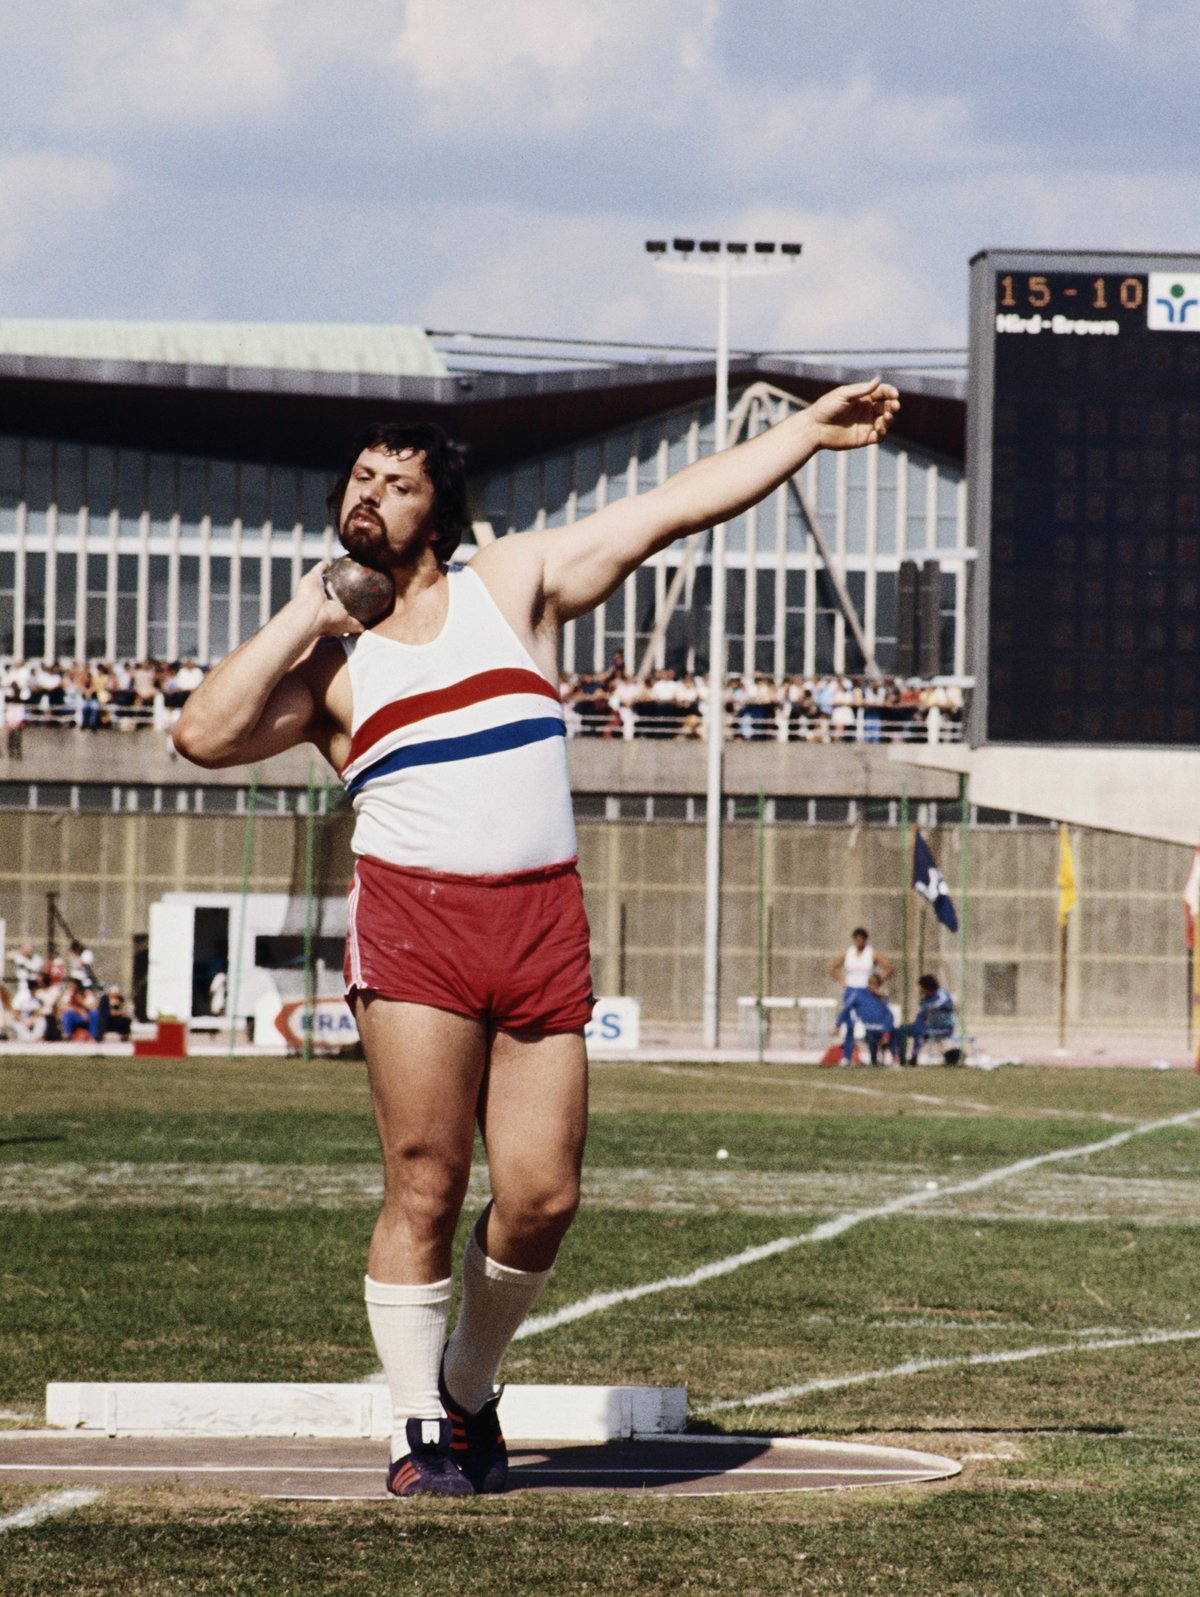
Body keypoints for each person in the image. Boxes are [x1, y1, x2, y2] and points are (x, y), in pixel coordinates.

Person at [172, 377, 900, 1499]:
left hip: (539, 918)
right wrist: (307, 610)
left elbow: (669, 509)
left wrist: (802, 432)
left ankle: (467, 1386)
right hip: (414, 923)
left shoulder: (512, 585)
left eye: (399, 483)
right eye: (361, 478)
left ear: (441, 512)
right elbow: (200, 735)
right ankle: (420, 1430)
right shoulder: (330, 667)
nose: (373, 493)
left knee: (543, 1194)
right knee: (425, 1178)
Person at [834, 972, 895, 1066]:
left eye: (875, 984)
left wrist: (882, 998)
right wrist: (838, 1024)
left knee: (896, 1032)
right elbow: (846, 1008)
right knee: (870, 1035)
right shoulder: (859, 994)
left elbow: (888, 1015)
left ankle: (894, 1059)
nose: (873, 986)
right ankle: (870, 1059)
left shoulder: (882, 997)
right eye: (871, 983)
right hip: (867, 1027)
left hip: (881, 1028)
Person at [897, 974, 956, 1066]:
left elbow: (947, 1002)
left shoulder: (941, 993)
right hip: (925, 1027)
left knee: (920, 1033)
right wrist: (915, 1023)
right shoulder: (926, 1000)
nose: (921, 990)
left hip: (943, 1028)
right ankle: (902, 1059)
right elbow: (922, 1016)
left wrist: (933, 1007)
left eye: (922, 987)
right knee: (901, 1029)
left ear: (928, 987)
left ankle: (913, 1059)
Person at [830, 926, 894, 1002]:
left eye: (862, 938)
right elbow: (833, 968)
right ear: (854, 939)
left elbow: (889, 968)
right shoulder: (848, 953)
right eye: (857, 938)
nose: (859, 940)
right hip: (851, 989)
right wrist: (843, 981)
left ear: (865, 939)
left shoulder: (872, 953)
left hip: (867, 990)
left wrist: (877, 982)